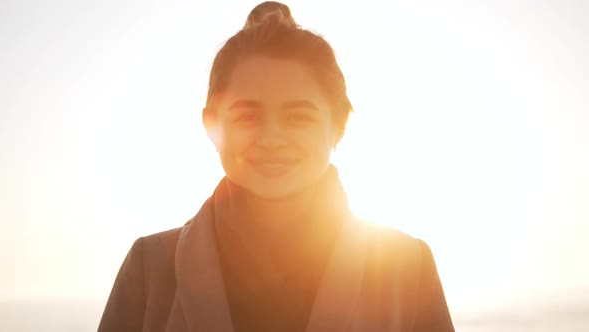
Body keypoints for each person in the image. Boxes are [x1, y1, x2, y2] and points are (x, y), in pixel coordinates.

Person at [98, 2, 455, 331]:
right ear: (212, 125)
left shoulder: (405, 268)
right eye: (248, 116)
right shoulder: (152, 268)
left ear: (339, 126)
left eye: (298, 117)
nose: (272, 138)